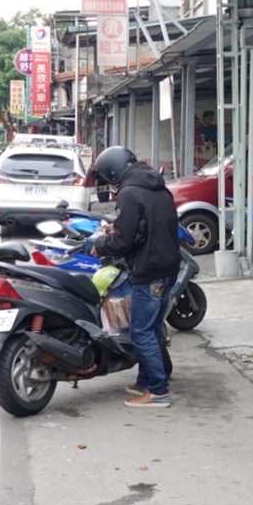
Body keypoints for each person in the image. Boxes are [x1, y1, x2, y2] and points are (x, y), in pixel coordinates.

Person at [91, 146, 181, 409]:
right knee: (151, 329)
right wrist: (116, 227)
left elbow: (123, 243)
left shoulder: (129, 194)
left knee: (141, 332)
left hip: (149, 270)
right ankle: (145, 380)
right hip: (167, 267)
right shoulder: (157, 187)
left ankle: (158, 392)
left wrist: (101, 245)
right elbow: (146, 226)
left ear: (113, 172)